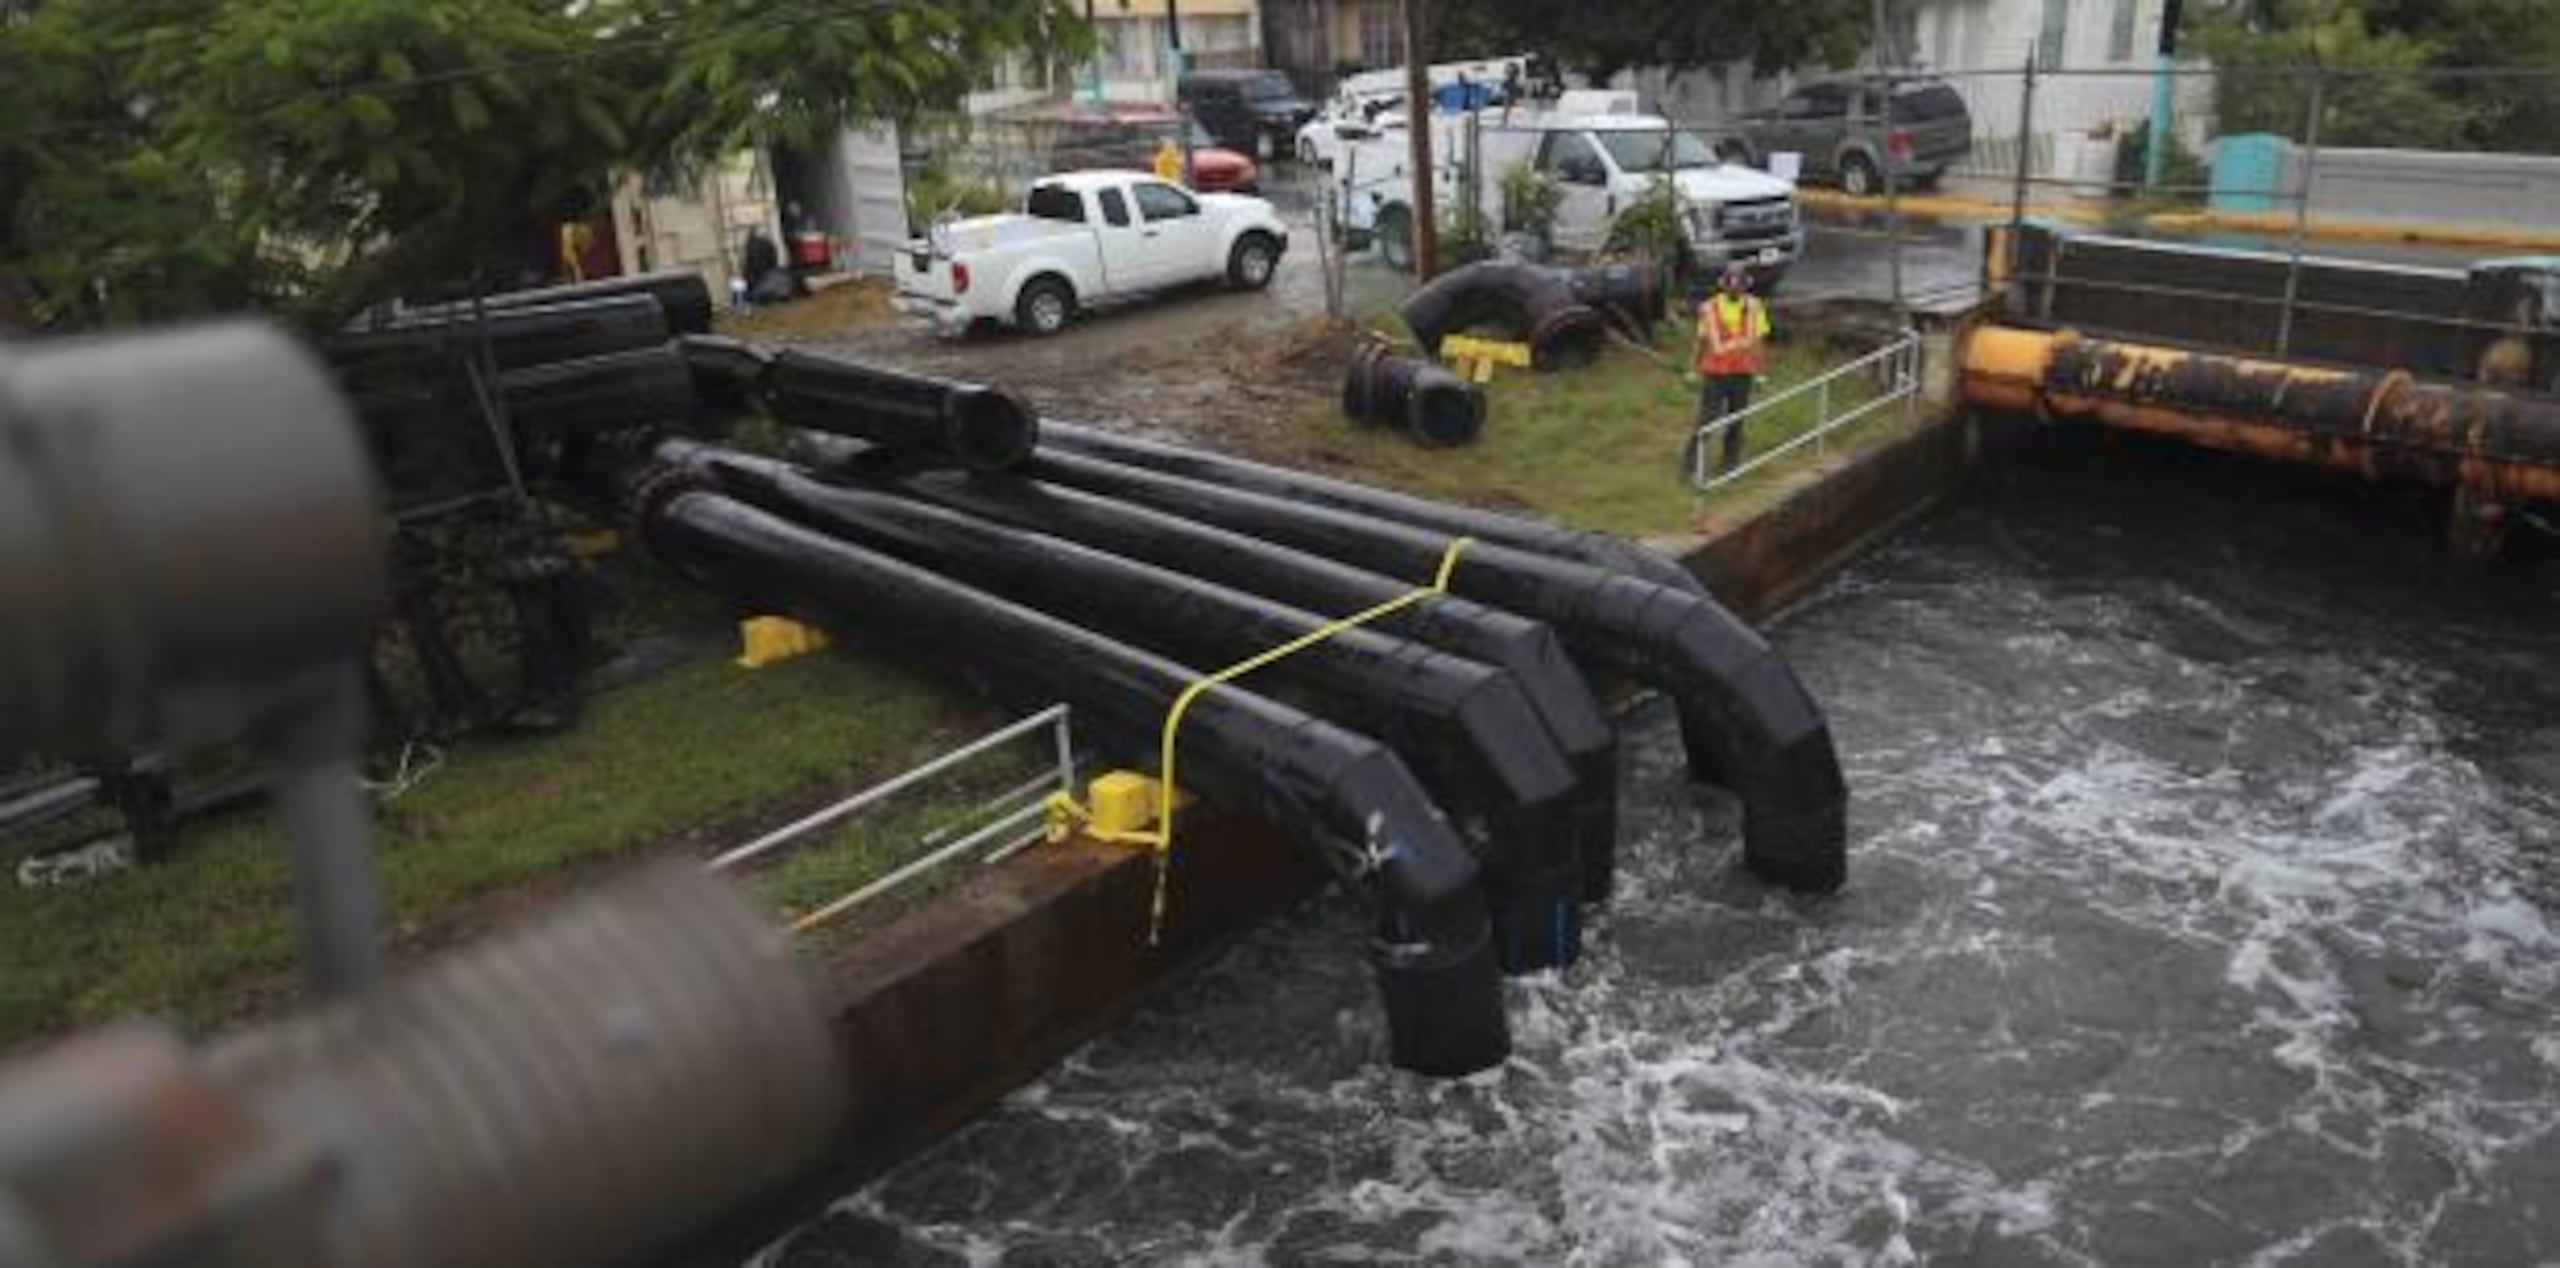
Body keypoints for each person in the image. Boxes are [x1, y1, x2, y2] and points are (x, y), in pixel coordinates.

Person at [1693, 263, 1772, 474]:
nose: (1735, 288)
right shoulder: (1708, 307)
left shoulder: (1755, 306)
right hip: (1715, 373)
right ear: (1723, 285)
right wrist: (1694, 368)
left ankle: (1729, 462)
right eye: (1731, 283)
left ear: (1746, 286)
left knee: (1736, 420)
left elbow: (1758, 341)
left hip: (1742, 373)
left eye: (1739, 284)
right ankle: (1691, 466)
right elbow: (1702, 340)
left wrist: (1761, 372)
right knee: (1706, 419)